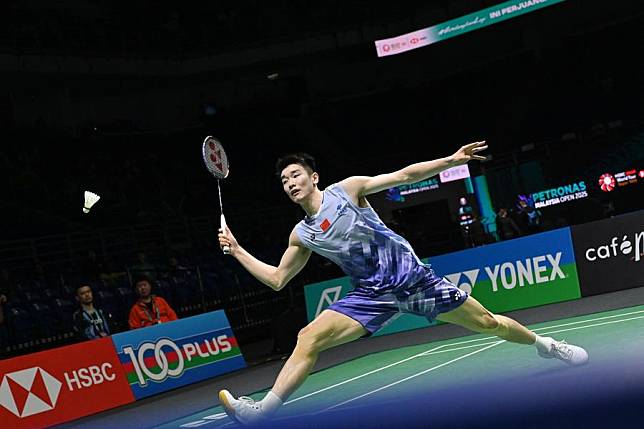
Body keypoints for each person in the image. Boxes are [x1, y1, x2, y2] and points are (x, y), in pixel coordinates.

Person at [216, 142, 588, 425]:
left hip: (415, 280)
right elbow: (279, 279)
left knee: (490, 323)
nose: (290, 183)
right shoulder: (302, 234)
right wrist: (236, 250)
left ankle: (548, 345)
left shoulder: (346, 191)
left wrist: (451, 161)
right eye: (284, 181)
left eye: (295, 175)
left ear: (313, 177)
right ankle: (262, 412)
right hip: (372, 295)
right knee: (307, 337)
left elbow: (405, 175)